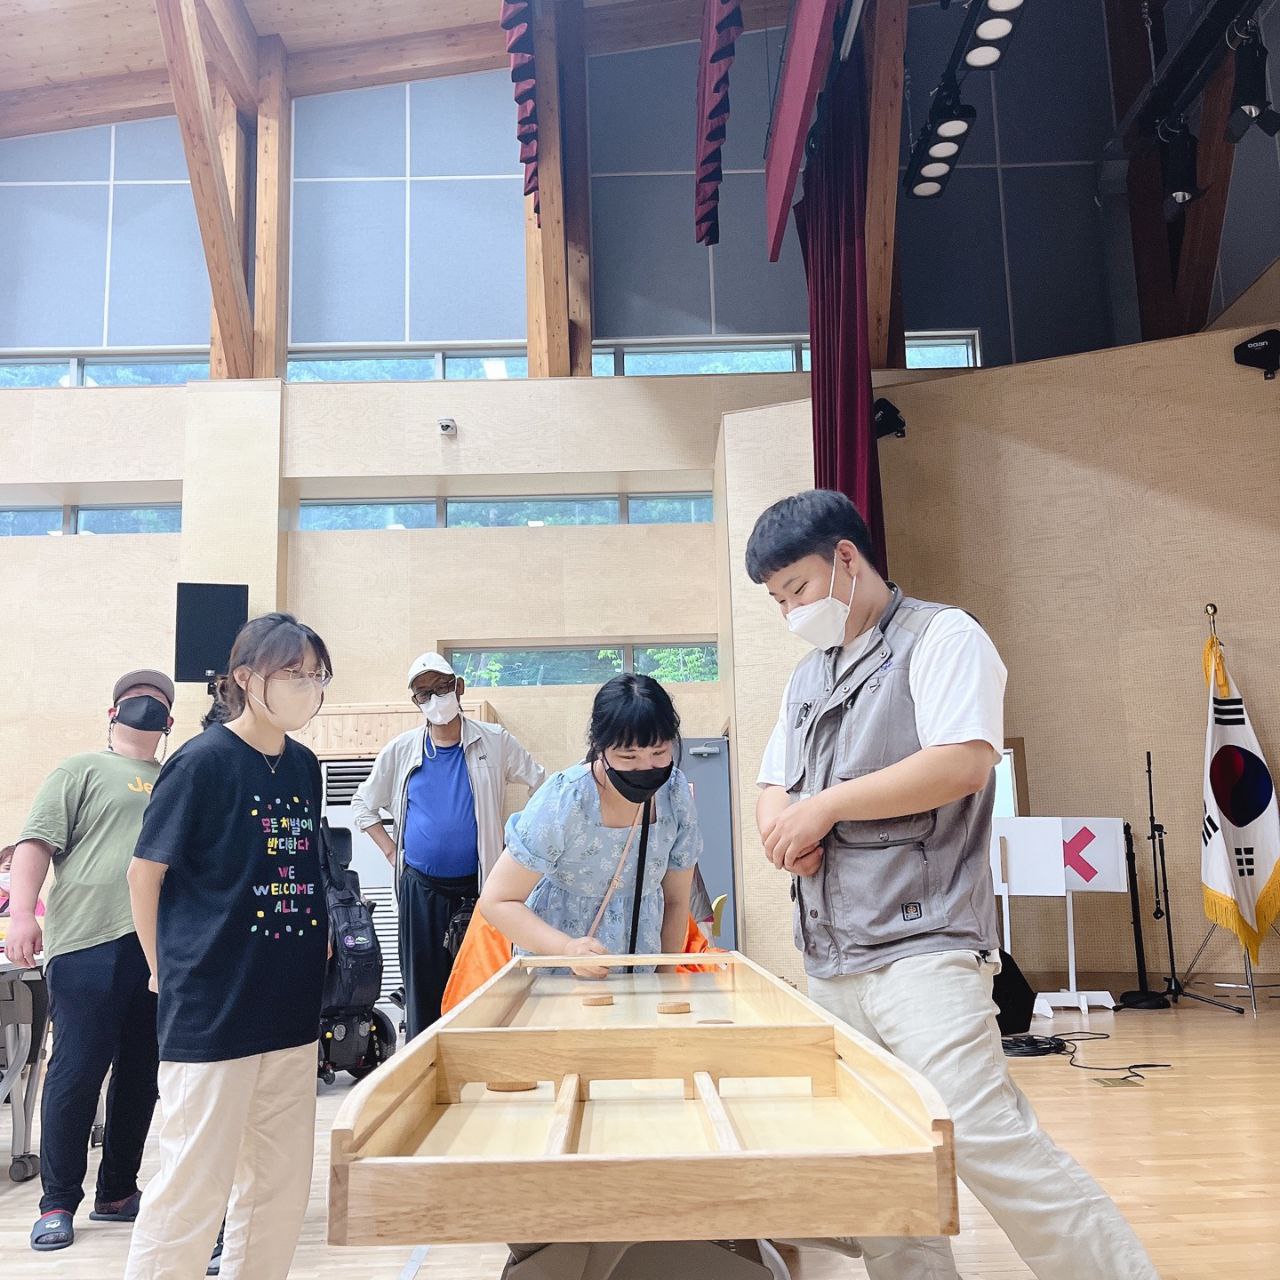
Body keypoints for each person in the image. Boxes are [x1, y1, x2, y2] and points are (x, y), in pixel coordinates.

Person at [748, 490, 1159, 1280]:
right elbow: (775, 782)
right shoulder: (807, 677)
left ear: (846, 558)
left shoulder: (942, 637)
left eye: (796, 590)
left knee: (981, 1136)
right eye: (776, 601)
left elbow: (963, 761)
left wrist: (823, 808)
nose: (790, 611)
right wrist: (783, 828)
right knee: (883, 1158)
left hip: (924, 946)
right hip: (833, 958)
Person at [122, 613, 332, 1280]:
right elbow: (143, 873)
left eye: (315, 676)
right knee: (191, 1184)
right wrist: (164, 972)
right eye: (292, 674)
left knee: (277, 1188)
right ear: (245, 678)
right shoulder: (201, 761)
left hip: (290, 1008)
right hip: (212, 1006)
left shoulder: (304, 766)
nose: (307, 687)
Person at [4, 669, 174, 1253]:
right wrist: (23, 916)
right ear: (113, 712)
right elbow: (35, 844)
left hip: (158, 949)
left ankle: (118, 1192)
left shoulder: (178, 778)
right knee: (77, 1071)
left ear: (170, 721)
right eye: (137, 700)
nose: (147, 708)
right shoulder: (78, 770)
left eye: (158, 702)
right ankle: (57, 1201)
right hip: (86, 945)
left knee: (140, 1076)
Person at [352, 651, 544, 1037]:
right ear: (415, 702)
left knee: (483, 984)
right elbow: (363, 806)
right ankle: (425, 1067)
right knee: (424, 988)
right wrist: (393, 853)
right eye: (424, 693)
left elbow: (541, 784)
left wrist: (519, 848)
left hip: (480, 889)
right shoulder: (402, 750)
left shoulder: (495, 741)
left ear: (458, 688)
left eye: (441, 688)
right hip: (419, 887)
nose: (435, 699)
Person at [478, 674, 700, 975]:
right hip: (560, 973)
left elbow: (676, 901)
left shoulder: (674, 795)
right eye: (628, 756)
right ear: (600, 747)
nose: (646, 767)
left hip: (640, 972)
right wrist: (567, 949)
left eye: (659, 752)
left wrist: (663, 981)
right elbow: (497, 900)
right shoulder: (564, 800)